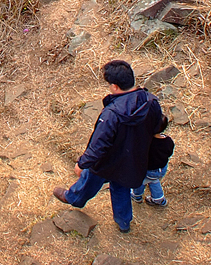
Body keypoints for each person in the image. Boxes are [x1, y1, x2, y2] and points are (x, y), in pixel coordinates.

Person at [52, 60, 164, 233]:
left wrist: (82, 163)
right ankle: (124, 223)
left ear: (115, 87)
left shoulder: (111, 114)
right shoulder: (151, 102)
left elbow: (98, 145)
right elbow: (157, 128)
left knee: (89, 179)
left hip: (107, 162)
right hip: (133, 160)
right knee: (121, 189)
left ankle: (73, 198)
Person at [131, 123, 175, 206]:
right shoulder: (168, 140)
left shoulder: (147, 143)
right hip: (161, 169)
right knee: (153, 180)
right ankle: (159, 199)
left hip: (149, 171)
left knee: (141, 181)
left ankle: (137, 196)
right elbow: (169, 153)